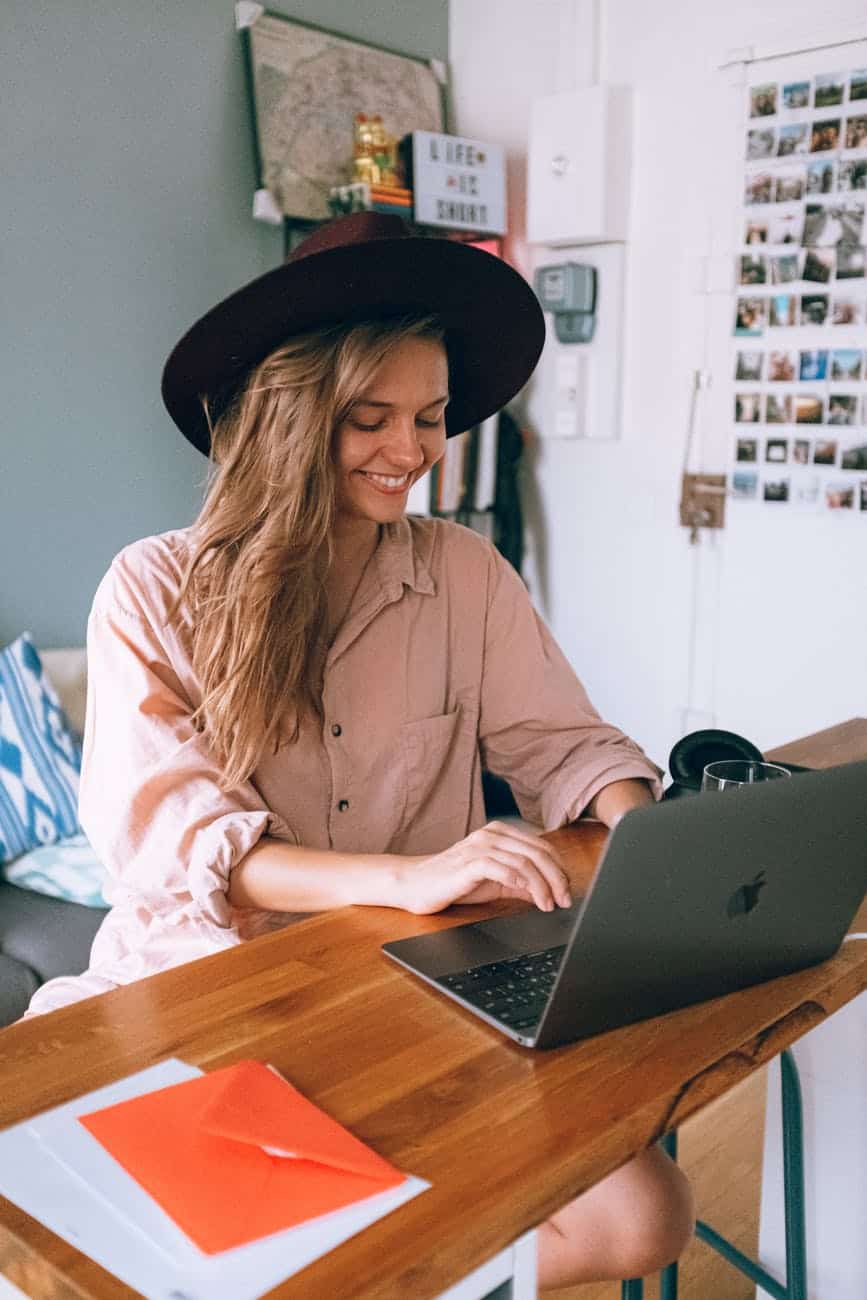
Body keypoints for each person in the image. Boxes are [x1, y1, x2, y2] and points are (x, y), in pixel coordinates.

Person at [25, 212, 693, 1287]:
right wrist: (419, 873)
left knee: (643, 1211)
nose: (412, 452)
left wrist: (651, 830)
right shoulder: (152, 590)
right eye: (369, 418)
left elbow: (565, 743)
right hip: (203, 989)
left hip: (405, 985)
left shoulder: (465, 573)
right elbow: (189, 846)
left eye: (430, 418)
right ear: (290, 416)